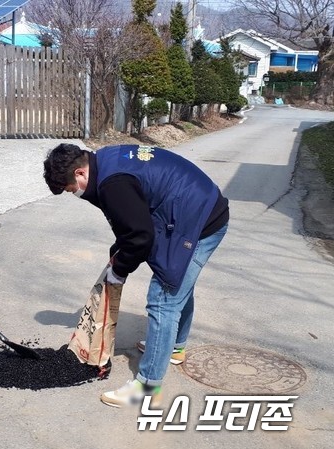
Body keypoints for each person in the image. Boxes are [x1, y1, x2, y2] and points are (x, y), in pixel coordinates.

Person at [43, 143, 229, 407]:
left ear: (80, 174)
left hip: (200, 220)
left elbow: (141, 237)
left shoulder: (112, 184)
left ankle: (147, 386)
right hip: (192, 207)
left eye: (70, 189)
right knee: (179, 284)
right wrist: (117, 254)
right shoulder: (104, 161)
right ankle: (175, 348)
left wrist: (119, 270)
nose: (74, 194)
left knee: (163, 297)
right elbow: (130, 222)